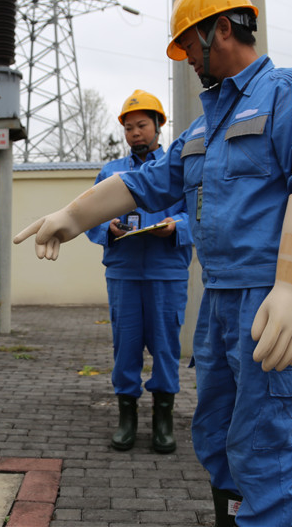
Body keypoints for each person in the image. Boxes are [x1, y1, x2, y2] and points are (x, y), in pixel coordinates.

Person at [14, 0, 292, 527]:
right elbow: (144, 184)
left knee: (268, 439)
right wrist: (73, 217)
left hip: (268, 296)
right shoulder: (203, 126)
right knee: (216, 431)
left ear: (221, 29)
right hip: (217, 300)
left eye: (189, 45)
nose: (188, 58)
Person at [85, 90, 192, 454]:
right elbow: (90, 218)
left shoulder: (180, 171)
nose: (135, 133)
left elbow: (200, 215)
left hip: (167, 273)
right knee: (126, 348)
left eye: (142, 125)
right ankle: (126, 418)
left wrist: (175, 225)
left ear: (160, 126)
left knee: (165, 348)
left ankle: (163, 421)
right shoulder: (111, 173)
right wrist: (108, 230)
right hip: (124, 274)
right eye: (129, 127)